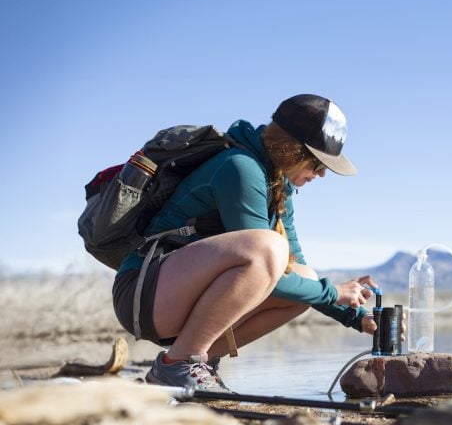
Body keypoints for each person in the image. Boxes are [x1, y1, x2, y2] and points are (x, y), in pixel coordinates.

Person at [112, 94, 378, 391]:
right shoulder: (239, 167)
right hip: (143, 295)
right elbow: (268, 265)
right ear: (291, 150)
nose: (321, 174)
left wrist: (356, 315)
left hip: (174, 295)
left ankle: (197, 361)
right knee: (268, 249)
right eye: (316, 163)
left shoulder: (278, 184)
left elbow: (294, 266)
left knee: (305, 280)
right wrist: (335, 293)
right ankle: (179, 365)